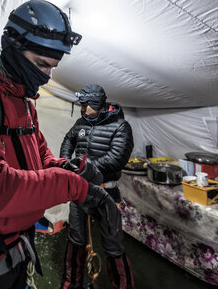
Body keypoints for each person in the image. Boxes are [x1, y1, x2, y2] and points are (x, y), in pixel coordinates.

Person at [0, 0, 118, 288]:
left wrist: (72, 169)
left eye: (53, 67)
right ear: (13, 46)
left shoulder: (23, 103)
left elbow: (41, 161)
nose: (46, 75)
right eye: (41, 64)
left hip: (17, 251)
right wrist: (75, 187)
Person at [59, 84, 135, 289]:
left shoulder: (120, 127)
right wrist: (65, 161)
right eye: (81, 105)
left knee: (113, 245)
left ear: (97, 104)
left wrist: (86, 168)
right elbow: (69, 139)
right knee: (76, 239)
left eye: (86, 105)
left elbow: (117, 158)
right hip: (80, 190)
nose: (82, 109)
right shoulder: (81, 123)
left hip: (106, 192)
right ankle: (71, 284)